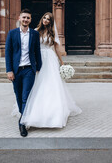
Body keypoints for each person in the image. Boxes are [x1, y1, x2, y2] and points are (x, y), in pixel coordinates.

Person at [20, 12, 82, 128]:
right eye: (44, 18)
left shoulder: (52, 32)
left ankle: (54, 112)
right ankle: (35, 110)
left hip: (50, 59)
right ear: (42, 18)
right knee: (38, 83)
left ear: (50, 22)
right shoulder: (35, 31)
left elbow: (57, 49)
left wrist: (62, 62)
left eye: (48, 19)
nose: (46, 20)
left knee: (51, 83)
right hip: (39, 58)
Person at [5, 9, 42, 137]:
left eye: (28, 18)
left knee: (26, 96)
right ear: (19, 18)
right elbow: (8, 53)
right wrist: (9, 70)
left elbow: (37, 51)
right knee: (18, 95)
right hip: (16, 71)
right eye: (24, 17)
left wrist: (38, 67)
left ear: (30, 20)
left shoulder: (34, 34)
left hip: (28, 70)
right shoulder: (12, 33)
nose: (26, 20)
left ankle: (22, 123)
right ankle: (23, 115)